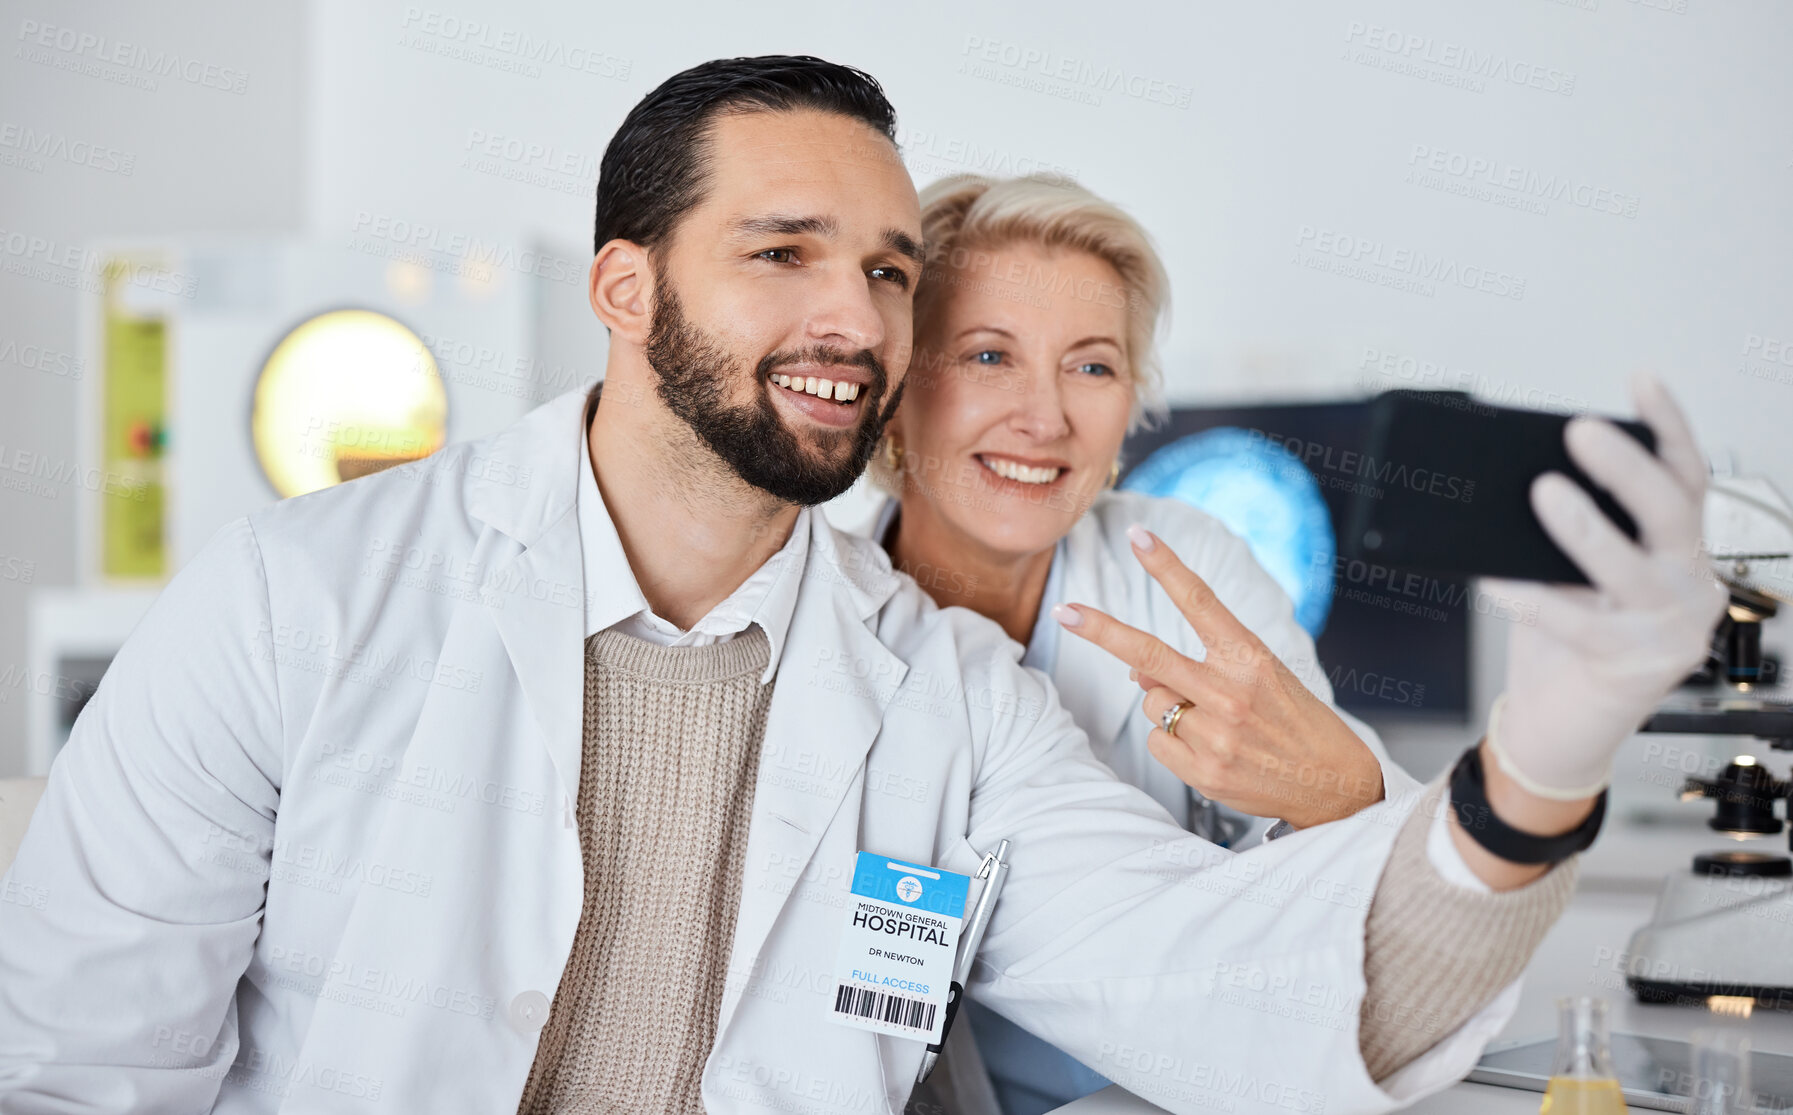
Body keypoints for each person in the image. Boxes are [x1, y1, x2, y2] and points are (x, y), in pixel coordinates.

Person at [0, 56, 1723, 1115]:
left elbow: (1231, 990)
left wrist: (1532, 775)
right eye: (781, 255)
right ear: (621, 286)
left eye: (887, 271)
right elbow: (81, 1070)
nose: (852, 318)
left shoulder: (952, 702)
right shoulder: (302, 596)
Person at [862, 173, 1410, 1114]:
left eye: (1091, 366)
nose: (1045, 418)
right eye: (990, 355)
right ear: (899, 386)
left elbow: (1374, 895)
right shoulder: (814, 621)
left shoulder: (1181, 566)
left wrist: (1339, 794)